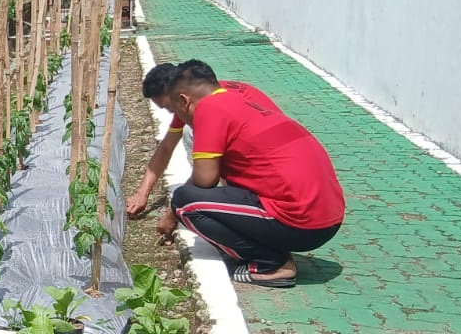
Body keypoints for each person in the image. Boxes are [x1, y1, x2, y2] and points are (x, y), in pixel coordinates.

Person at [137, 59, 345, 287]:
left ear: (184, 100)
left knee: (184, 203)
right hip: (328, 216)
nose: (177, 117)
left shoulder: (208, 109)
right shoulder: (239, 97)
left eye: (173, 110)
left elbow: (205, 180)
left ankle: (271, 264)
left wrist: (172, 214)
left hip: (303, 221)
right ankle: (268, 246)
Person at [125, 63, 282, 218]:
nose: (172, 113)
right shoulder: (201, 96)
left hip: (272, 172)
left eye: (170, 107)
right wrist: (142, 193)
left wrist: (175, 211)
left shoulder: (209, 108)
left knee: (196, 141)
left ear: (179, 95)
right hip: (283, 158)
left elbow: (205, 180)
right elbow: (166, 147)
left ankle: (240, 202)